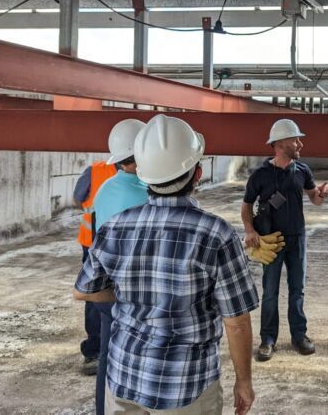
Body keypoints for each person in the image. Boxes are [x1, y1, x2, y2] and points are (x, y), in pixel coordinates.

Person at [74, 114, 259, 415]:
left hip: (124, 379)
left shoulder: (116, 227)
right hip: (185, 387)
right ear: (197, 173)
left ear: (144, 175)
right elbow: (236, 322)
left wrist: (128, 297)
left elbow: (84, 291)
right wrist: (244, 382)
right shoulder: (215, 234)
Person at [241, 119, 328, 362]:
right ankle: (268, 339)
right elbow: (246, 206)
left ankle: (299, 336)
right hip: (271, 240)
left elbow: (313, 197)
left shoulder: (302, 170)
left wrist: (320, 196)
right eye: (295, 139)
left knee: (297, 289)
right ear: (280, 143)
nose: (300, 143)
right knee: (270, 291)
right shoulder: (260, 175)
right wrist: (250, 230)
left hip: (297, 238)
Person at [87, 119, 148, 415]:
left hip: (106, 287)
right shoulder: (144, 193)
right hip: (132, 294)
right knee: (131, 362)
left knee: (109, 358)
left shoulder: (106, 188)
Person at [72, 154, 117, 376]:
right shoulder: (145, 171)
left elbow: (77, 198)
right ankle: (100, 349)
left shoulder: (95, 170)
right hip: (110, 245)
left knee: (94, 294)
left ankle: (94, 351)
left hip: (92, 242)